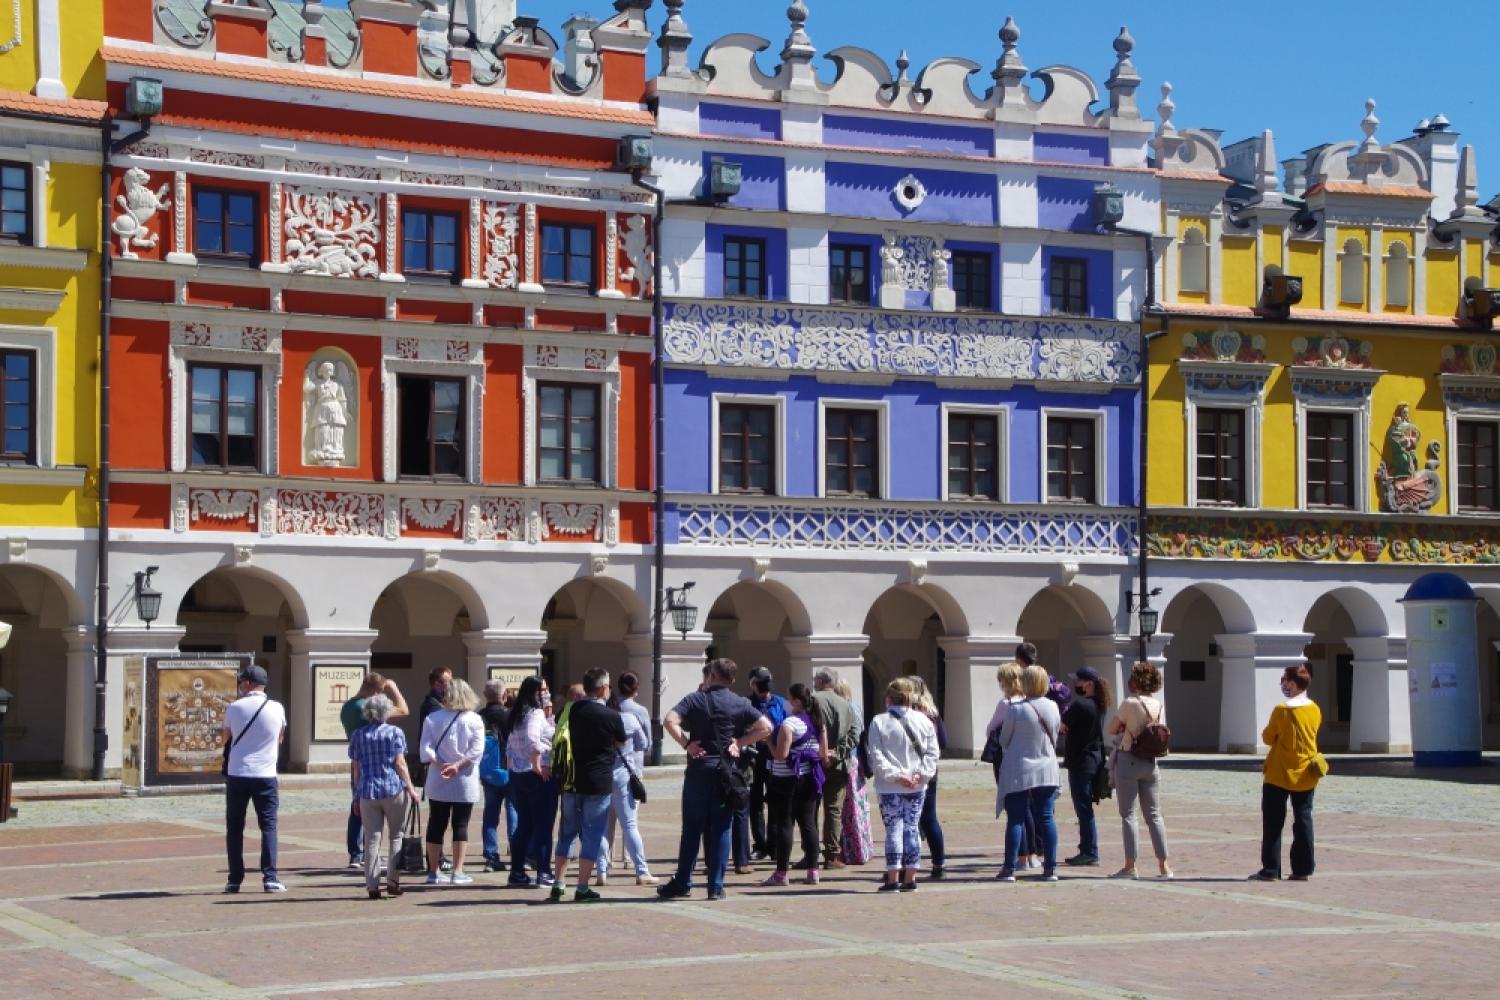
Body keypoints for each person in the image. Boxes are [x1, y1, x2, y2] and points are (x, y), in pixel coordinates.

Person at [658, 658, 771, 901]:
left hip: (698, 772)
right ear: (732, 679)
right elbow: (766, 727)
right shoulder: (739, 702)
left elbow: (669, 720)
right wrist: (740, 742)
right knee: (722, 828)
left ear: (711, 676)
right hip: (725, 775)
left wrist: (687, 744)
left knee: (692, 829)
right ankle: (716, 886)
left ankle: (683, 881)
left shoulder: (695, 699)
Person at [546, 667, 626, 902]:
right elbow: (620, 742)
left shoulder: (570, 710)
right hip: (598, 782)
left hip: (571, 779)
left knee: (566, 832)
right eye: (608, 686)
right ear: (602, 689)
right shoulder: (611, 715)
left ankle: (558, 883)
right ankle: (582, 887)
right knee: (591, 834)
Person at [1251, 664, 1326, 882]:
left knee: (1273, 822)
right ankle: (1303, 868)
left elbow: (1268, 737)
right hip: (1306, 772)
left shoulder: (1282, 710)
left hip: (1279, 772)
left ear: (1292, 683)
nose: (1283, 684)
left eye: (1285, 680)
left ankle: (1271, 868)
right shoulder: (1315, 708)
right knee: (1303, 820)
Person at [866, 679, 940, 892]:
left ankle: (892, 878)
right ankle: (910, 878)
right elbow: (933, 753)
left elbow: (876, 756)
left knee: (893, 829)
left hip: (889, 786)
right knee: (911, 828)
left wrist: (897, 776)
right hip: (916, 785)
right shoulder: (924, 720)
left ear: (889, 697)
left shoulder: (879, 721)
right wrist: (920, 775)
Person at [222, 664, 288, 894]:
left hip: (238, 773)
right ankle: (270, 877)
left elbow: (226, 737)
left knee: (235, 827)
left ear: (249, 684)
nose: (240, 685)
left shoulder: (235, 707)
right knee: (268, 826)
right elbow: (280, 737)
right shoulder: (277, 708)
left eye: (242, 682)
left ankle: (234, 880)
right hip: (266, 774)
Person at [994, 664, 1062, 882]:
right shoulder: (1053, 706)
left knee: (1015, 819)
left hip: (1019, 767)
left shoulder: (1016, 709)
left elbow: (1003, 739)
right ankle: (1050, 868)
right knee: (1047, 817)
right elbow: (1055, 735)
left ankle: (1009, 868)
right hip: (1046, 766)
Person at [1107, 662, 1174, 881]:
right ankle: (1164, 866)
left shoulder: (1130, 703)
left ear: (1135, 682)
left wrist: (1125, 727)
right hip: (1151, 762)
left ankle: (1130, 866)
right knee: (1154, 815)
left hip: (1129, 759)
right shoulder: (1158, 704)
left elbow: (1111, 729)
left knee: (1128, 814)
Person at [348, 693, 418, 899]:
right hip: (392, 789)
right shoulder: (395, 732)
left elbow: (356, 767)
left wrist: (356, 794)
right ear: (386, 711)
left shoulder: (358, 735)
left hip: (367, 791)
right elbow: (400, 763)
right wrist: (411, 788)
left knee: (371, 839)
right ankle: (393, 881)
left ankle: (372, 885)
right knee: (396, 836)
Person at [418, 677, 484, 885]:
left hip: (438, 776)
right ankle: (458, 870)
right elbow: (477, 750)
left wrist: (441, 764)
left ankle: (433, 871)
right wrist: (458, 765)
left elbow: (425, 749)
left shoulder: (432, 718)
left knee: (436, 823)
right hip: (464, 778)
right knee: (461, 823)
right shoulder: (474, 719)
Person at [340, 673, 409, 869]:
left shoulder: (347, 707)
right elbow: (404, 710)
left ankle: (356, 853)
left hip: (359, 760)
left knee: (358, 806)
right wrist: (393, 688)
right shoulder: (366, 707)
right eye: (380, 692)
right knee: (374, 813)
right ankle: (364, 854)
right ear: (376, 690)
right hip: (377, 763)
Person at [761, 683, 827, 887]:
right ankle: (813, 871)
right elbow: (823, 754)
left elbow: (780, 755)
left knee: (785, 824)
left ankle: (781, 873)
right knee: (809, 824)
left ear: (796, 701)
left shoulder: (789, 723)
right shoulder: (818, 722)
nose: (788, 703)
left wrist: (768, 741)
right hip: (810, 777)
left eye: (790, 699)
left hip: (785, 779)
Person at [597, 682, 657, 886]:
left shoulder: (600, 719)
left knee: (603, 827)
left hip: (602, 775)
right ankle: (642, 871)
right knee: (630, 824)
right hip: (623, 774)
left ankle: (601, 871)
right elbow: (643, 744)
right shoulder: (630, 718)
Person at [505, 676, 556, 887]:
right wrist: (537, 763)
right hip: (536, 774)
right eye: (543, 690)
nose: (547, 693)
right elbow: (533, 741)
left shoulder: (517, 714)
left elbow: (510, 747)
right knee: (543, 826)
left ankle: (517, 872)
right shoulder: (535, 714)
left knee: (524, 825)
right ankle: (544, 872)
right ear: (535, 692)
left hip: (518, 774)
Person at [1061, 666, 1111, 867]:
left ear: (1089, 684)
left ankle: (1089, 851)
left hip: (1080, 761)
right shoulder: (1100, 705)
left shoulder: (1081, 705)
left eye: (1079, 681)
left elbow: (1062, 726)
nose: (1075, 683)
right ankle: (1087, 848)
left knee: (1083, 808)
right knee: (1085, 807)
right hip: (1094, 760)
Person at [812, 667, 860, 869]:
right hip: (838, 765)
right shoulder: (846, 705)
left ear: (821, 681)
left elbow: (805, 730)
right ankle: (831, 855)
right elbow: (854, 734)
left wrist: (822, 753)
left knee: (811, 809)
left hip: (813, 763)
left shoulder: (812, 700)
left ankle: (810, 853)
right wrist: (836, 753)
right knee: (833, 810)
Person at [746, 667, 789, 862]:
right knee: (755, 801)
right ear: (752, 684)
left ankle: (774, 844)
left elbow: (787, 725)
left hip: (774, 756)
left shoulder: (780, 703)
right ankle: (760, 844)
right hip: (754, 757)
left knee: (774, 800)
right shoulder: (747, 704)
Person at [906, 676, 948, 879]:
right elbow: (944, 741)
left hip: (909, 768)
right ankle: (939, 864)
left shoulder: (907, 713)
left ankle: (906, 866)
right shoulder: (932, 712)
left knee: (908, 819)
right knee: (930, 818)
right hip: (930, 769)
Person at [478, 679, 514, 872]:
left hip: (489, 771)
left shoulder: (479, 716)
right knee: (513, 811)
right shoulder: (510, 715)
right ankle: (517, 853)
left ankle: (491, 857)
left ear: (486, 696)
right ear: (504, 695)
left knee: (490, 814)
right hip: (509, 769)